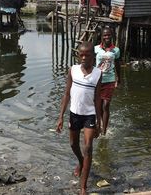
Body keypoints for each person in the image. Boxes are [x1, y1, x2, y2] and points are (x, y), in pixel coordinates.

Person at [56, 41, 102, 195]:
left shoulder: (97, 74)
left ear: (92, 57)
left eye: (87, 55)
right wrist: (61, 116)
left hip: (90, 114)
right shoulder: (73, 70)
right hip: (75, 113)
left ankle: (83, 187)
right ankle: (81, 162)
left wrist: (99, 121)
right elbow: (67, 93)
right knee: (73, 144)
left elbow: (97, 99)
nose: (83, 57)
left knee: (88, 147)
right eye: (81, 54)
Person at [95, 27, 121, 135]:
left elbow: (118, 64)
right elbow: (91, 62)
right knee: (99, 105)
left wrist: (118, 78)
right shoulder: (96, 49)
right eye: (105, 35)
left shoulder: (116, 50)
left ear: (112, 36)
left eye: (109, 35)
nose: (107, 37)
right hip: (97, 80)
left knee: (105, 105)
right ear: (101, 36)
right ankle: (101, 123)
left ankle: (104, 132)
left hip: (109, 80)